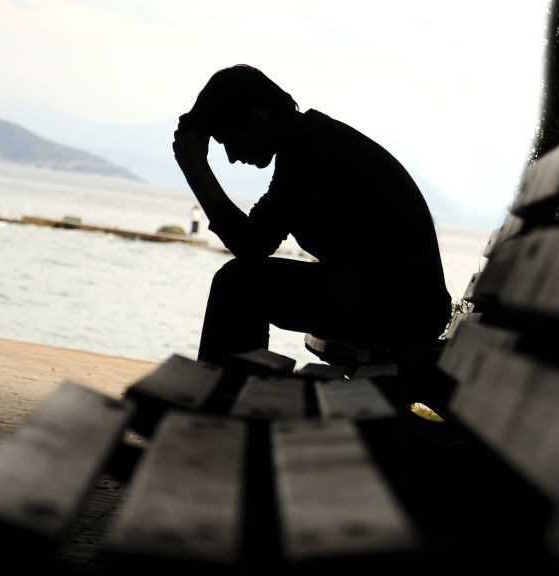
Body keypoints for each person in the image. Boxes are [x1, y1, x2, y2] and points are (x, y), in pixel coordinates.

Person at [172, 64, 453, 366]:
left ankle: (221, 391)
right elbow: (255, 240)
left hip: (401, 312)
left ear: (258, 119)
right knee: (239, 282)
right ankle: (231, 388)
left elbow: (251, 245)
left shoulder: (309, 151)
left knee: (237, 285)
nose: (231, 157)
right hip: (402, 305)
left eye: (228, 140)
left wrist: (195, 169)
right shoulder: (310, 141)